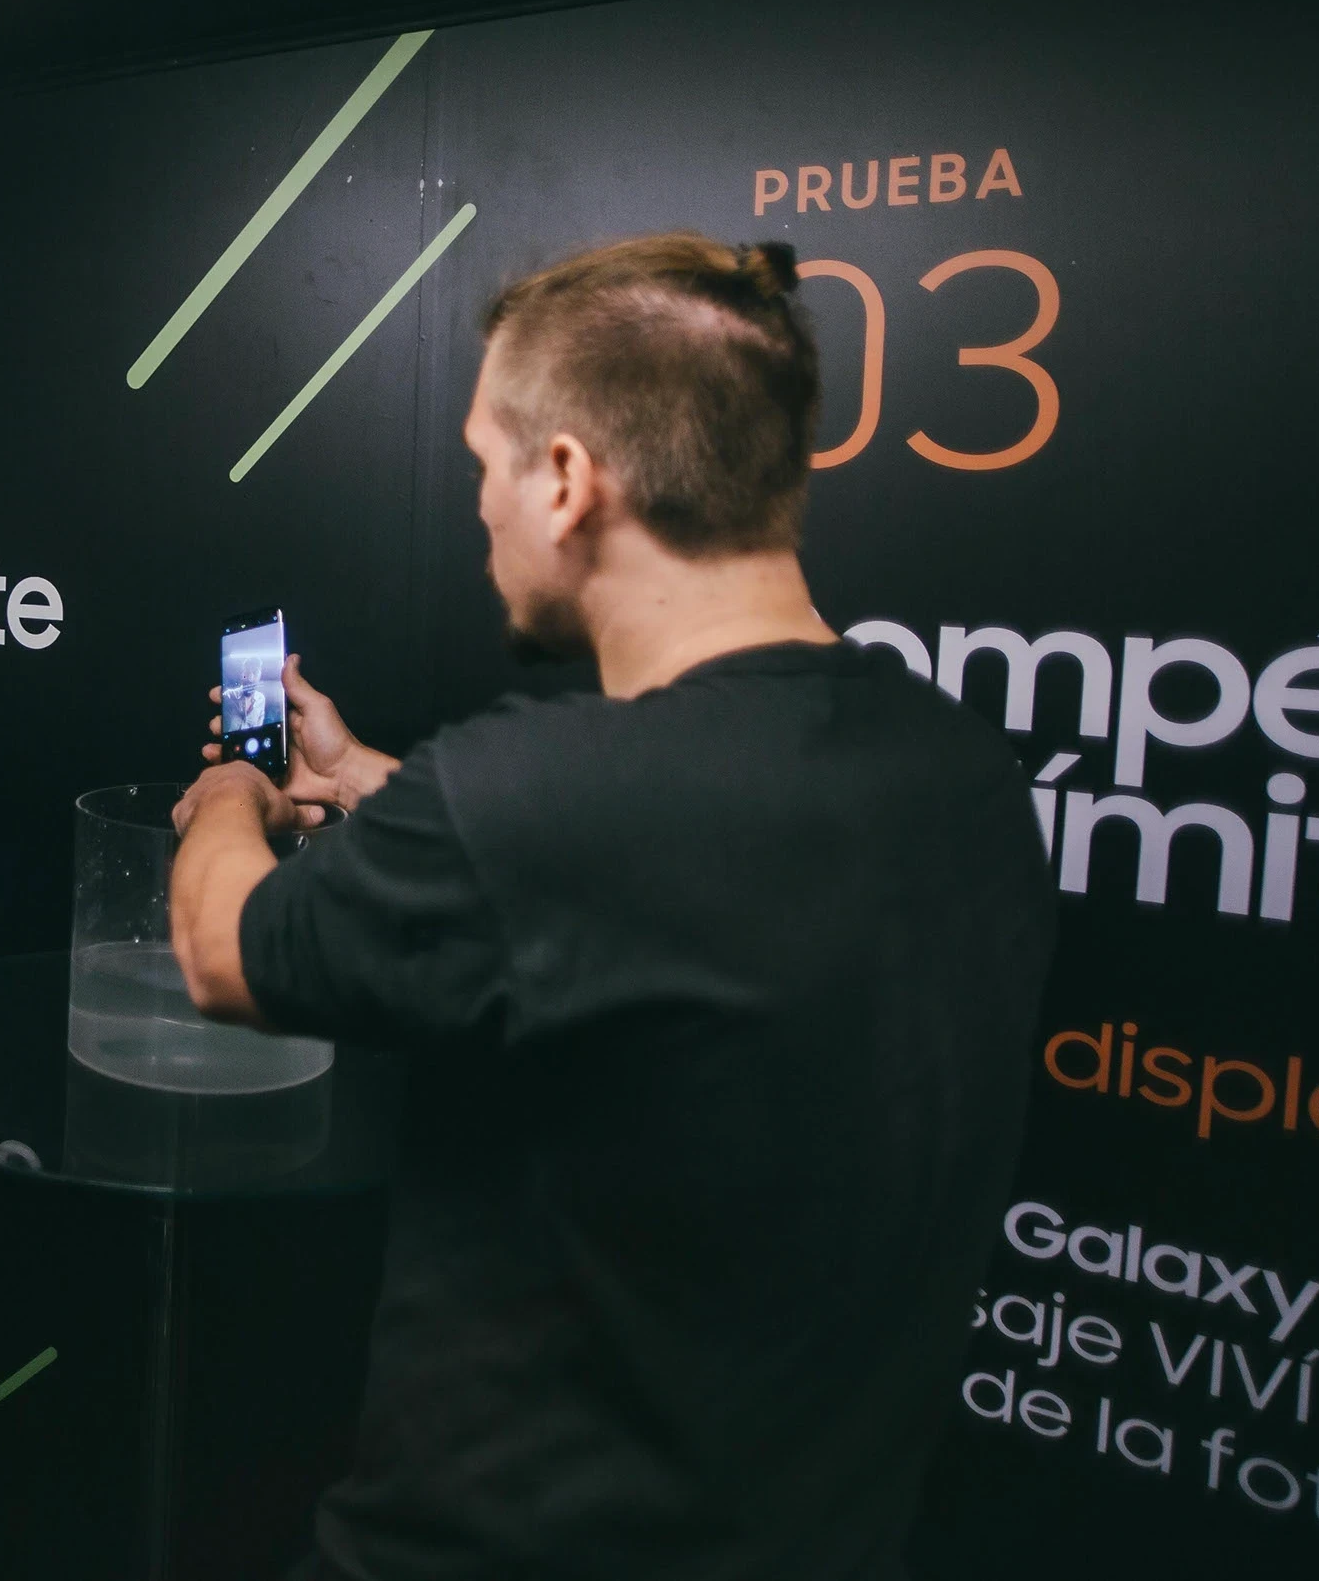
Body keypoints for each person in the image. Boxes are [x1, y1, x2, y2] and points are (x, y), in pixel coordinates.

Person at [168, 234, 1056, 1581]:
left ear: (569, 481)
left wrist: (235, 793)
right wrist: (365, 782)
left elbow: (221, 949)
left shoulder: (539, 793)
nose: (481, 508)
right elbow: (671, 880)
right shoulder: (959, 772)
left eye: (486, 464)